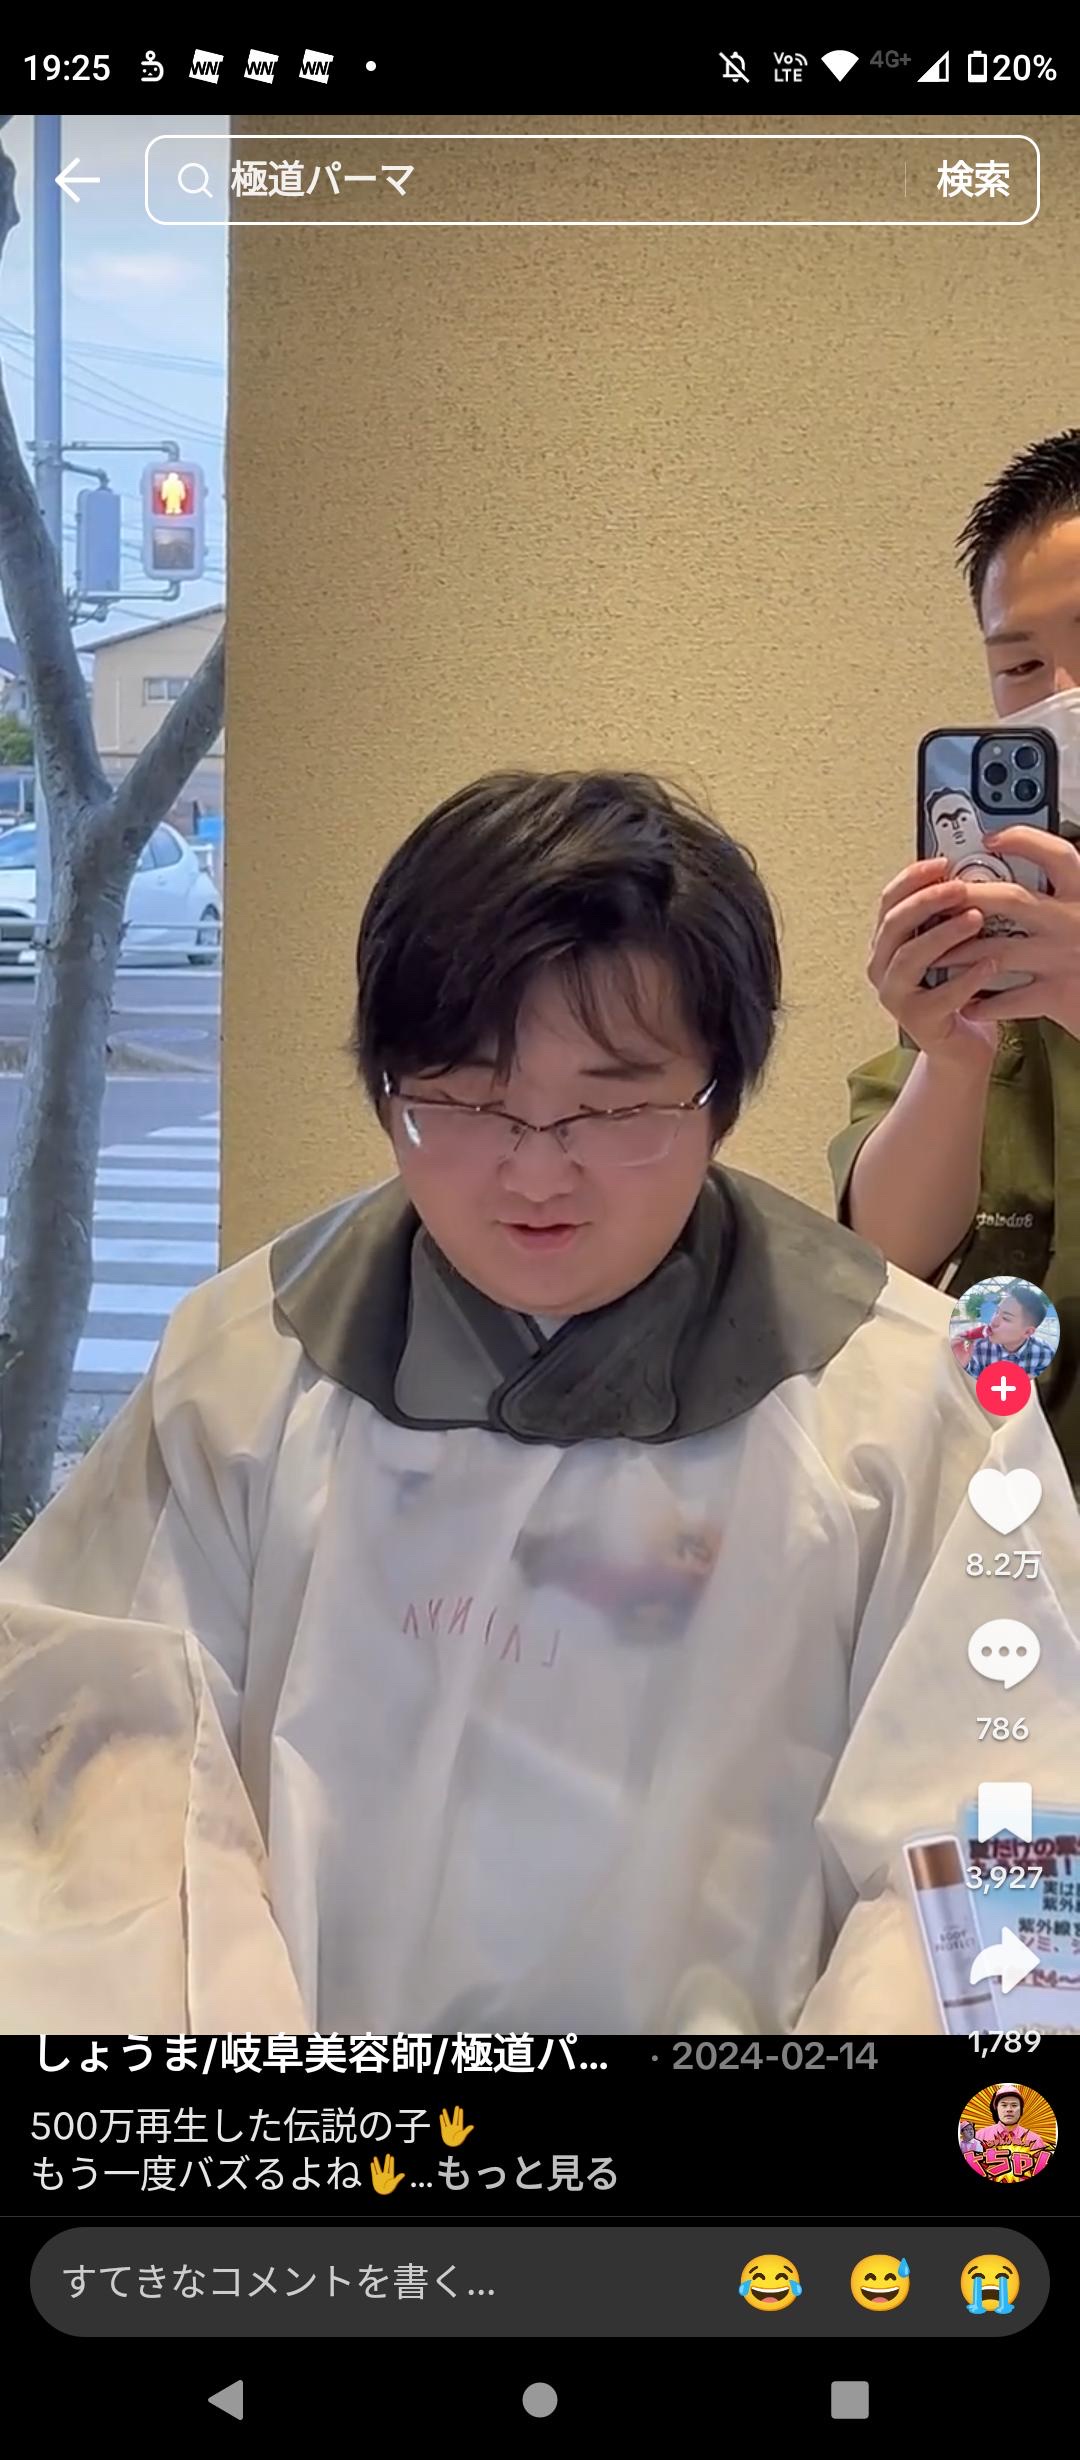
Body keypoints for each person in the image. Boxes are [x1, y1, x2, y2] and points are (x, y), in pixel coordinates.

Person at [1, 770, 1078, 2035]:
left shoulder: (916, 1402)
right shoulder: (244, 1366)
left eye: (612, 1107)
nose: (534, 1173)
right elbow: (101, 1798)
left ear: (723, 1093)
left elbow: (999, 1846)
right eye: (465, 1101)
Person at [829, 427, 1080, 1488]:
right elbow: (888, 1257)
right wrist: (953, 1058)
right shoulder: (1007, 908)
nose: (1061, 690)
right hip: (1014, 1516)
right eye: (1018, 666)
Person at [953, 1279, 1057, 1380]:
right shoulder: (979, 1347)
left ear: (1027, 1332)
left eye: (1006, 1318)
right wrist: (963, 1364)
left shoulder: (1045, 1355)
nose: (993, 1322)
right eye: (997, 1312)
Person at [961, 2086, 1052, 2184]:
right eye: (1004, 2105)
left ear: (1021, 2109)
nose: (1009, 2109)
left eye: (1014, 2105)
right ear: (996, 2108)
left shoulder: (1035, 2140)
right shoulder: (979, 2137)